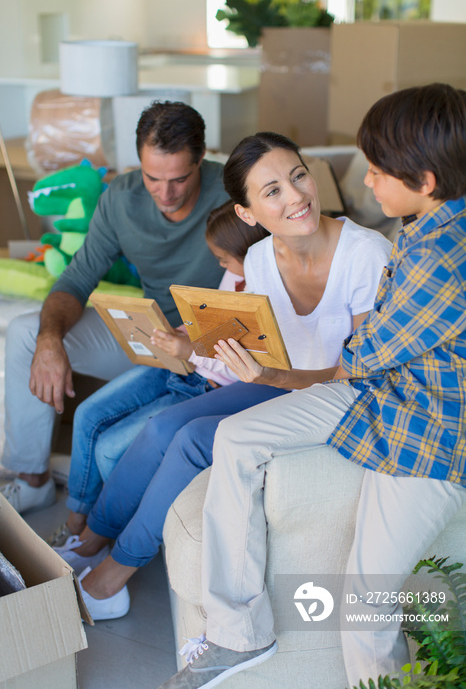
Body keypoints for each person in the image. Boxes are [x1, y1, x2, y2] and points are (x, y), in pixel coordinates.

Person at [157, 84, 466, 689]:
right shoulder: (421, 230)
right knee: (236, 439)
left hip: (425, 438)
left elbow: (361, 356)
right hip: (381, 397)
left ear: (425, 180)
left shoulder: (443, 256)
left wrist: (267, 371)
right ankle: (236, 634)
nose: (368, 186)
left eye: (378, 171)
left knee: (363, 613)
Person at [52, 132, 391, 621]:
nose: (296, 196)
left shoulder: (366, 255)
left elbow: (357, 376)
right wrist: (203, 348)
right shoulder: (257, 259)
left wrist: (270, 374)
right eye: (272, 190)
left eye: (298, 176)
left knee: (193, 439)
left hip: (335, 397)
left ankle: (113, 578)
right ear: (248, 214)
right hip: (278, 382)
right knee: (161, 426)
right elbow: (258, 344)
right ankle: (91, 541)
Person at [0, 100, 229, 514]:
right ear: (138, 161)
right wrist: (50, 340)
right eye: (152, 177)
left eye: (179, 178)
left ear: (202, 159)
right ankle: (32, 479)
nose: (165, 193)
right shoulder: (121, 199)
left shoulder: (233, 190)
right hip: (150, 335)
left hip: (209, 348)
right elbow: (74, 281)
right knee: (24, 332)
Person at [47, 200, 270, 548]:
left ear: (252, 252)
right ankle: (78, 518)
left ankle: (105, 532)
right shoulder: (237, 274)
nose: (221, 265)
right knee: (89, 414)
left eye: (225, 259)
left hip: (210, 385)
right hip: (183, 365)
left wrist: (190, 350)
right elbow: (211, 322)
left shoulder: (270, 292)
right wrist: (180, 333)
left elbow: (250, 366)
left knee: (109, 448)